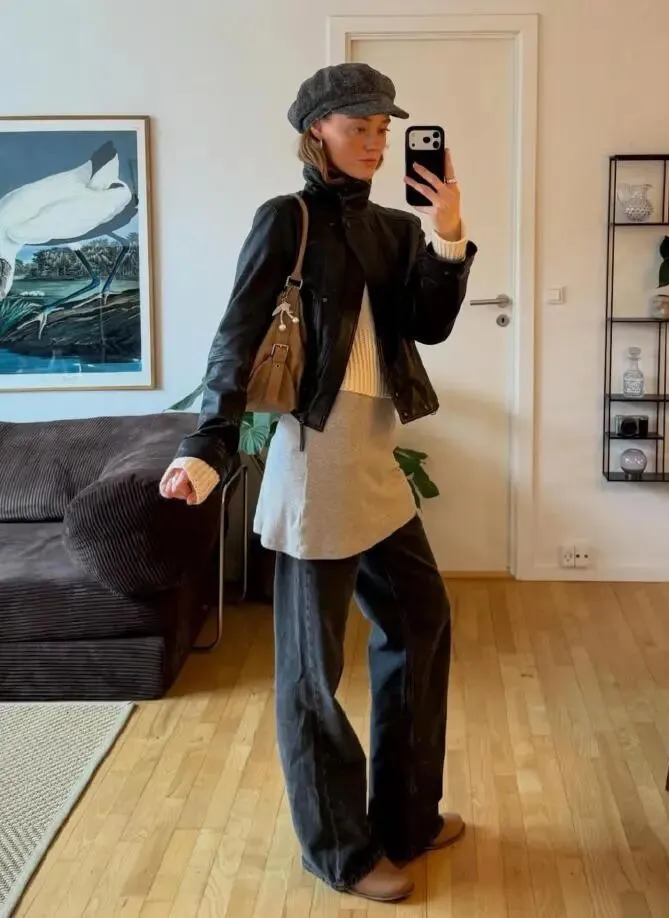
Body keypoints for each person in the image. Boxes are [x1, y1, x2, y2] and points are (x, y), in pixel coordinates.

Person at [159, 62, 477, 903]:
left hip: (373, 460)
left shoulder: (394, 230)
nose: (374, 141)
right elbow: (237, 335)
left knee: (422, 621)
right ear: (316, 133)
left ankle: (406, 818)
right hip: (314, 465)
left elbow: (429, 327)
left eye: (382, 128)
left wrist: (447, 234)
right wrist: (207, 445)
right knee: (312, 675)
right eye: (356, 126)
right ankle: (339, 848)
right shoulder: (287, 219)